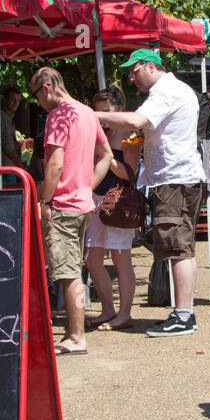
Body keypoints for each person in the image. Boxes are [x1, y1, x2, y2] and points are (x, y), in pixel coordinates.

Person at [97, 49, 205, 337]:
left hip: (175, 180)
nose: (131, 78)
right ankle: (183, 312)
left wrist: (93, 114)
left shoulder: (165, 92)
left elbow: (135, 122)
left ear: (150, 67)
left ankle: (183, 316)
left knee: (178, 248)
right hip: (175, 179)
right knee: (179, 247)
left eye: (134, 71)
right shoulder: (170, 90)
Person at [33, 67, 112, 356]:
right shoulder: (88, 113)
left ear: (45, 88)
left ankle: (76, 336)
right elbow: (106, 156)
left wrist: (45, 201)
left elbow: (54, 163)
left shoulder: (58, 116)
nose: (38, 103)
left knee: (68, 273)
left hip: (64, 205)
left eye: (36, 96)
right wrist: (87, 185)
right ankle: (74, 333)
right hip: (82, 204)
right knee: (74, 269)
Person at [85, 86, 142, 331]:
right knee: (91, 259)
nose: (101, 116)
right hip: (96, 197)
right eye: (97, 111)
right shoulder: (97, 132)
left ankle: (124, 313)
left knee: (121, 258)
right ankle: (107, 309)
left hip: (119, 202)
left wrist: (107, 156)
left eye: (105, 111)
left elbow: (130, 173)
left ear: (118, 109)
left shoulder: (129, 133)